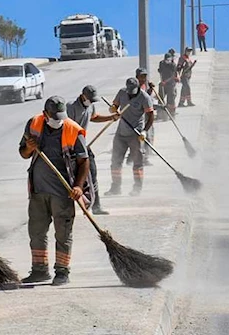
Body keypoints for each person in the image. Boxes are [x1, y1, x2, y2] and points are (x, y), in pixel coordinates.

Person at [18, 96, 89, 286]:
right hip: (38, 191)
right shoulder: (34, 124)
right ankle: (39, 270)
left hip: (63, 193)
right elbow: (23, 153)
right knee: (36, 232)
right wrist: (29, 148)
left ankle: (62, 271)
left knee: (63, 233)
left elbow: (84, 161)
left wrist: (78, 186)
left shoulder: (73, 129)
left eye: (60, 117)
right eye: (54, 117)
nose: (58, 121)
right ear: (45, 114)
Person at [66, 85, 118, 216]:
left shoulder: (90, 106)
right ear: (83, 96)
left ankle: (96, 206)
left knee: (92, 174)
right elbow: (66, 127)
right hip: (70, 147)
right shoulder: (71, 107)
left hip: (83, 146)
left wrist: (110, 117)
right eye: (89, 99)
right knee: (70, 179)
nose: (91, 102)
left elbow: (94, 117)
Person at [106, 78, 155, 197]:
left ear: (138, 87)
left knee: (137, 163)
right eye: (129, 91)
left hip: (136, 134)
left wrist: (144, 131)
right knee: (115, 162)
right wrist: (113, 109)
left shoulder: (144, 98)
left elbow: (151, 116)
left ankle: (137, 188)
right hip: (121, 133)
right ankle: (116, 187)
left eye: (133, 91)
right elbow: (115, 106)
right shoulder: (122, 93)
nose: (130, 93)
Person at [134, 68, 156, 165]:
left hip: (147, 115)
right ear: (137, 77)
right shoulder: (135, 88)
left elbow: (147, 98)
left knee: (149, 134)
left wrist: (150, 90)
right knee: (142, 136)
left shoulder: (144, 85)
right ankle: (143, 158)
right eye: (141, 76)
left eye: (145, 76)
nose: (143, 78)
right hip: (140, 117)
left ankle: (147, 154)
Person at [158, 51, 180, 118]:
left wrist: (166, 81)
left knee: (171, 99)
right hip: (163, 83)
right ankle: (161, 113)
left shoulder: (173, 65)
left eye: (169, 60)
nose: (167, 61)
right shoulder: (161, 63)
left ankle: (171, 114)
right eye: (166, 60)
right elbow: (160, 70)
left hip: (171, 84)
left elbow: (173, 75)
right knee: (160, 98)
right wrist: (159, 71)